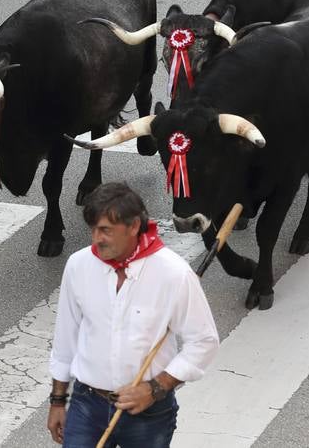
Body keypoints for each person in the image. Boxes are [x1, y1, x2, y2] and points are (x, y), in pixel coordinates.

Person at [47, 182, 219, 447]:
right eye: (93, 229)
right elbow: (65, 338)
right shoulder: (78, 265)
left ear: (134, 226)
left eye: (105, 230)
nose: (96, 239)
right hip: (87, 404)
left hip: (148, 413)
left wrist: (155, 388)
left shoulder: (174, 273)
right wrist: (58, 401)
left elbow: (203, 342)